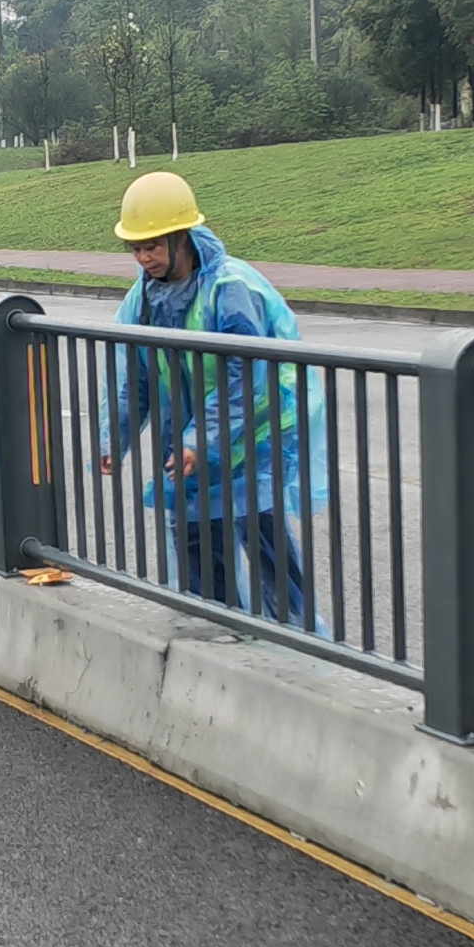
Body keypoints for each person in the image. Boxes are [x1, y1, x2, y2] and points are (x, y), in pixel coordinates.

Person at [98, 170, 324, 628]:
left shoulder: (231, 289)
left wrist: (201, 439)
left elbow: (243, 376)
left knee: (262, 537)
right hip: (191, 438)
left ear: (183, 238)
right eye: (136, 248)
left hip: (256, 436)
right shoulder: (144, 298)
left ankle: (300, 640)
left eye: (153, 246)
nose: (143, 258)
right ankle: (216, 630)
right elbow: (134, 376)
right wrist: (113, 439)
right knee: (196, 536)